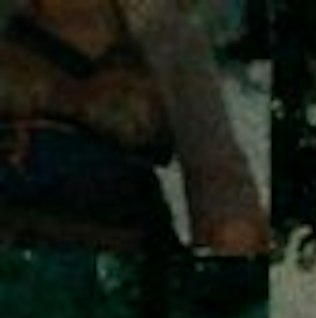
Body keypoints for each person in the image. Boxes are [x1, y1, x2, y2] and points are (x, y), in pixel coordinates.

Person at [0, 0, 266, 258]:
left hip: (124, 248)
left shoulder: (164, 34)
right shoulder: (10, 22)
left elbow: (215, 167)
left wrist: (233, 239)